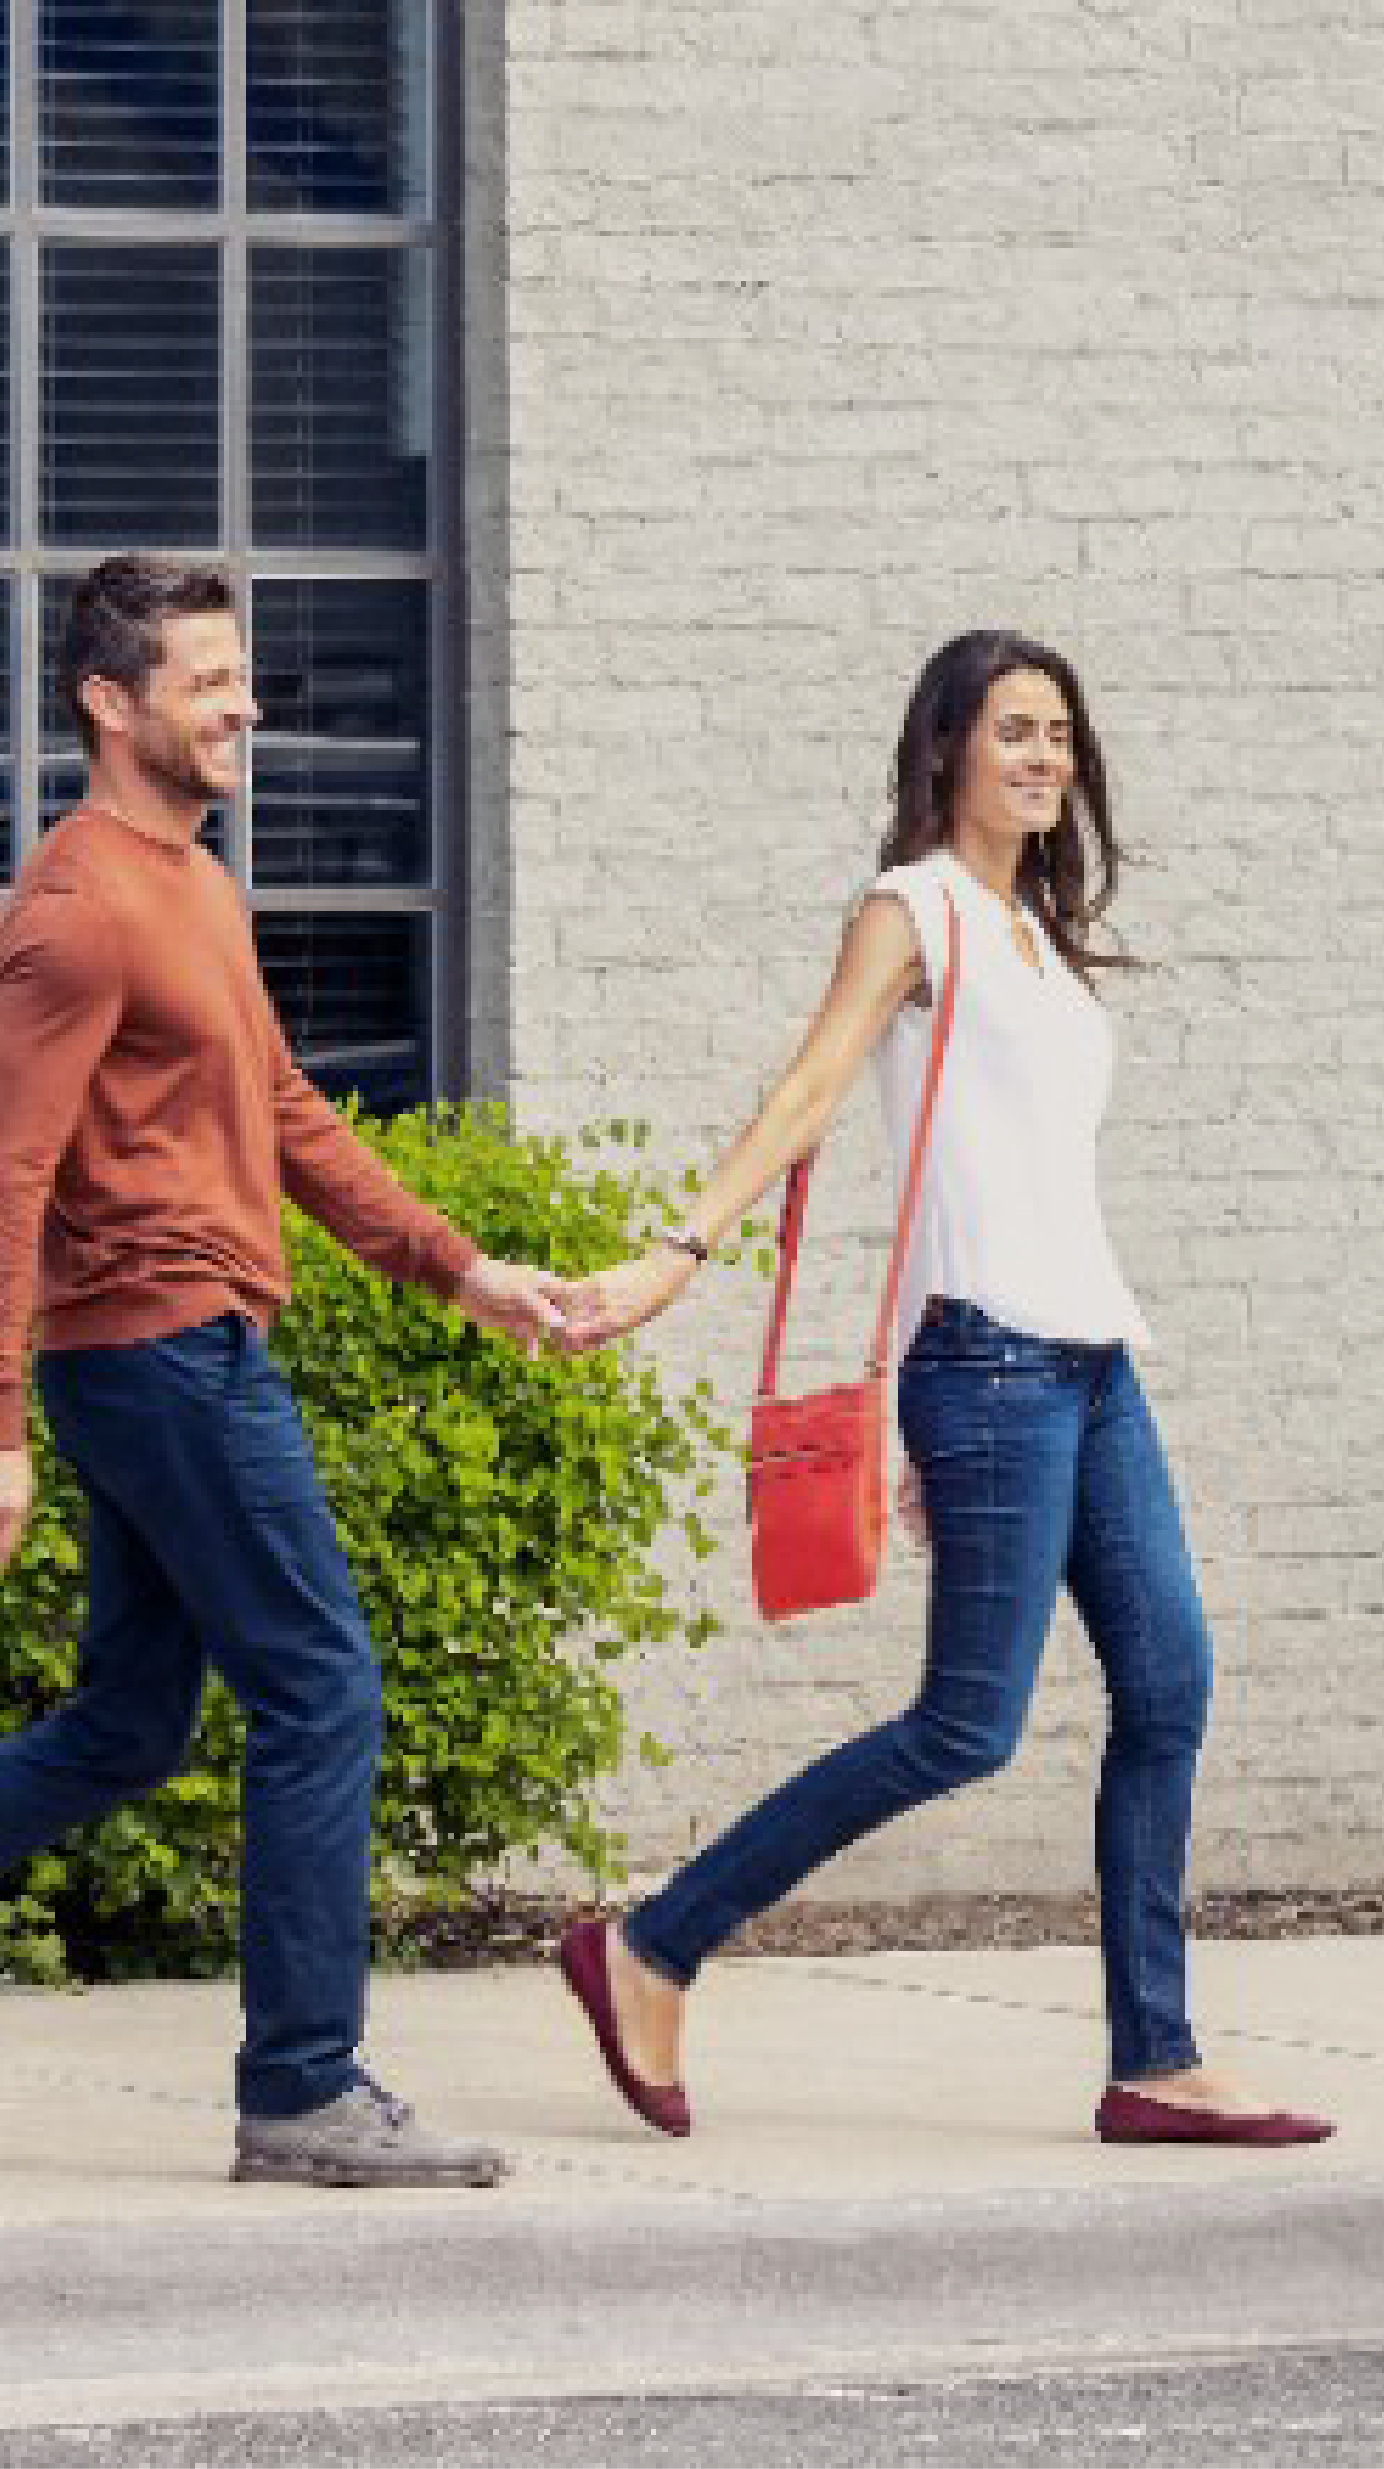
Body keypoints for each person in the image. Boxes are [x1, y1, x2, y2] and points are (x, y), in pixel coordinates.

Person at [0, 555, 603, 2188]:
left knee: (128, 1726)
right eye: (209, 681)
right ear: (112, 702)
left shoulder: (199, 886)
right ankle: (302, 2088)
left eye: (246, 678)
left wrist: (458, 1269)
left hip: (184, 1347)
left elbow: (287, 1111)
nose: (247, 705)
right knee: (322, 1687)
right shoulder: (79, 907)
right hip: (163, 1350)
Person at [544, 631, 1327, 2149]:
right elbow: (815, 1093)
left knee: (1170, 1685)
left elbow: (969, 1167)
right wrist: (673, 1257)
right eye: (1015, 731)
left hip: (1089, 1367)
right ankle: (652, 1941)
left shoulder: (1032, 933)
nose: (1044, 757)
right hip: (995, 1372)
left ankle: (1154, 2057)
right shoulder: (915, 912)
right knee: (967, 1726)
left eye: (1061, 735)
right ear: (948, 750)